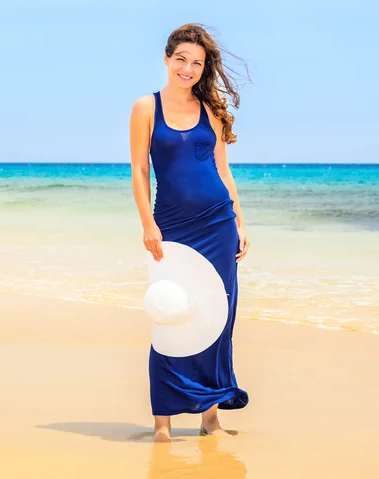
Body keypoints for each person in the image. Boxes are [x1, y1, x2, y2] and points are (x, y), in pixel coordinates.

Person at [129, 23, 251, 441]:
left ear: (204, 68)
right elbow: (141, 171)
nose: (188, 68)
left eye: (196, 62)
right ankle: (162, 421)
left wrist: (239, 219)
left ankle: (210, 417)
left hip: (218, 223)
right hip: (173, 227)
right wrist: (148, 223)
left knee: (217, 317)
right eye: (181, 59)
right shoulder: (147, 107)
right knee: (169, 312)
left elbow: (223, 169)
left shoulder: (212, 110)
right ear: (167, 59)